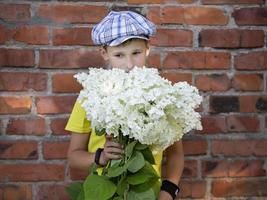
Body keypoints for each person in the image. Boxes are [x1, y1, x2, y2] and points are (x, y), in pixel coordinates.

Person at [65, 10, 184, 200]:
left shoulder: (162, 96)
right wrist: (101, 157)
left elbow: (176, 154)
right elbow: (74, 157)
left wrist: (169, 191)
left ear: (147, 48)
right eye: (119, 55)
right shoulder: (91, 96)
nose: (129, 64)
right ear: (104, 53)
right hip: (106, 192)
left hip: (149, 193)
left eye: (136, 53)